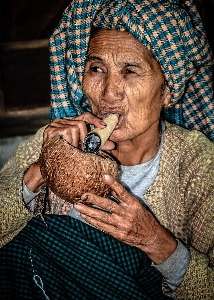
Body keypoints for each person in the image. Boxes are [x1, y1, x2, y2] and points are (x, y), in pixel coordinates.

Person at [0, 0, 214, 299]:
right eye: (97, 68)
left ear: (167, 91)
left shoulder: (198, 165)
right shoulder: (54, 142)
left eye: (130, 71)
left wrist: (155, 241)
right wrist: (40, 169)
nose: (109, 93)